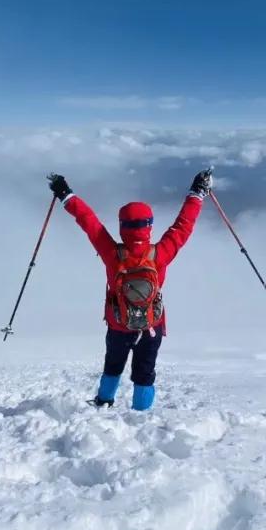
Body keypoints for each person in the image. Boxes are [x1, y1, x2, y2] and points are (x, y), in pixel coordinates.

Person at [47, 169, 213, 411]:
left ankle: (103, 403)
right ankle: (140, 415)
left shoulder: (112, 254)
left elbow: (88, 221)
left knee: (113, 365)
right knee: (144, 372)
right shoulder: (161, 253)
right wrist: (197, 192)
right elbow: (183, 225)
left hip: (118, 323)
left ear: (122, 226)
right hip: (151, 325)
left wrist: (65, 194)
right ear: (149, 226)